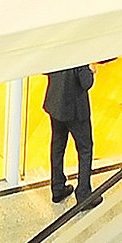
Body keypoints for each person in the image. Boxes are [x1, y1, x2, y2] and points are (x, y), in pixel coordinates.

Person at [42, 61, 97, 205]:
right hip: (75, 110)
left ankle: (57, 187)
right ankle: (84, 194)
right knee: (85, 149)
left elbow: (44, 69)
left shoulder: (58, 49)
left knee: (57, 146)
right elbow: (86, 83)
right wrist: (91, 70)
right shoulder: (80, 55)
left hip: (55, 104)